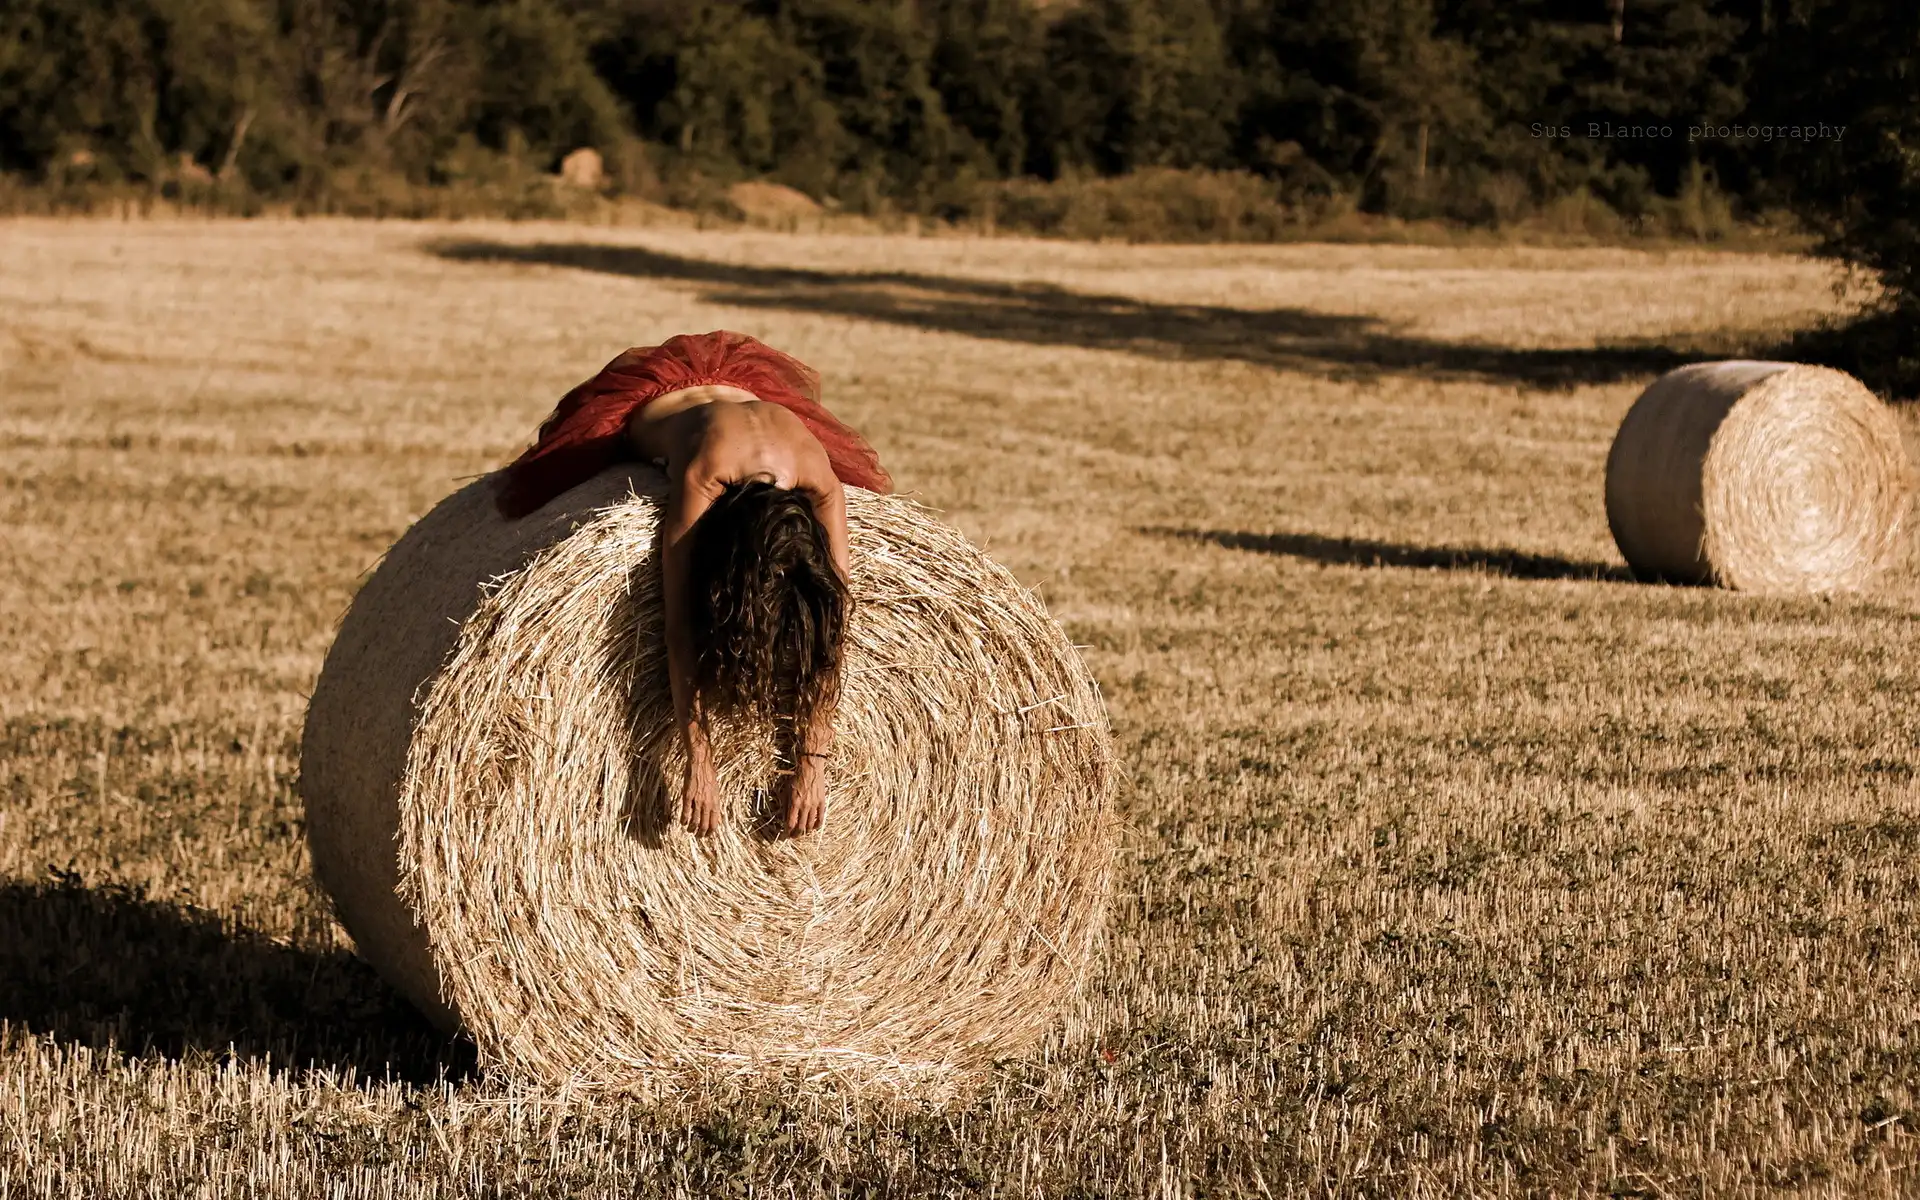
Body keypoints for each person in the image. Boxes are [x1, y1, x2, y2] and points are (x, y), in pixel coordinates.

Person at [496, 331, 892, 838]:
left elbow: (833, 627)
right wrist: (698, 760)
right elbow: (680, 626)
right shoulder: (706, 475)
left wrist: (813, 761)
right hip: (658, 401)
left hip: (743, 392)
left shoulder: (820, 479)